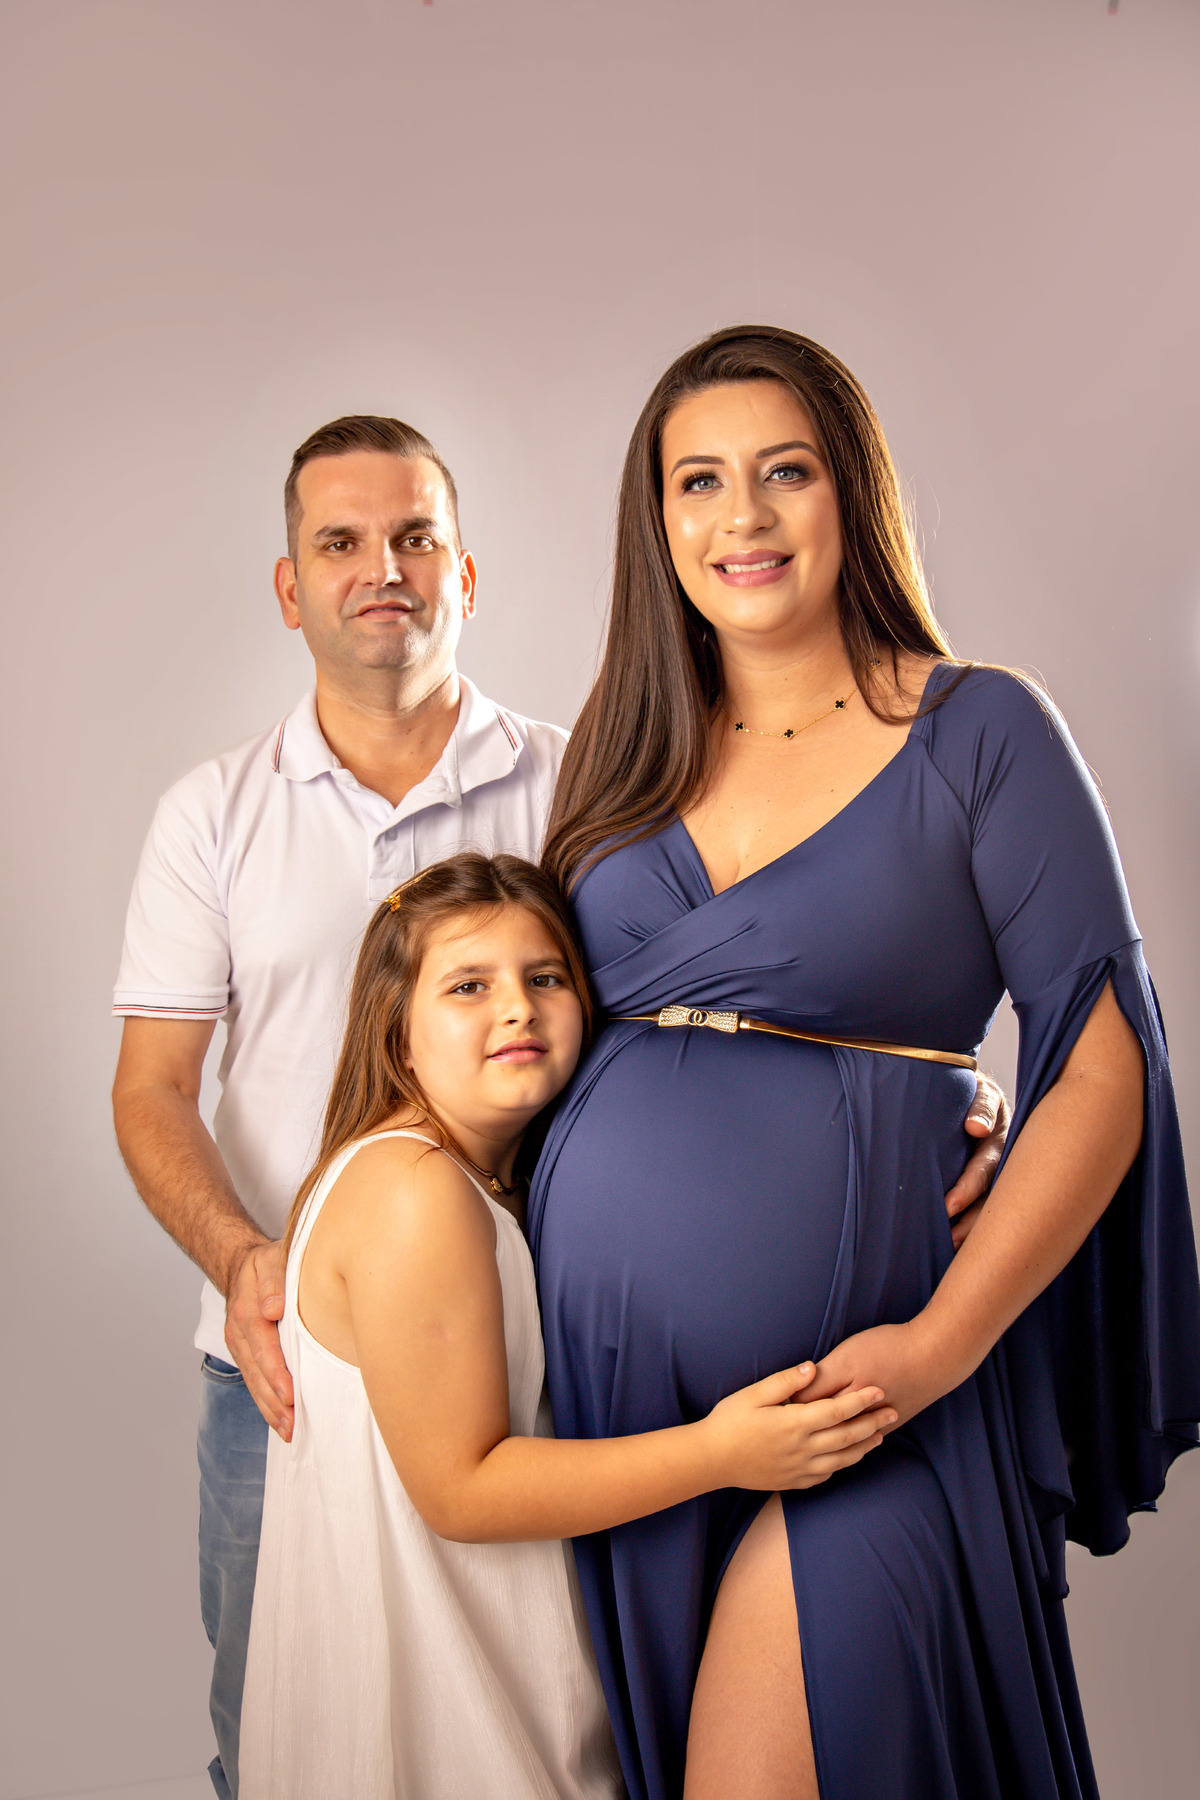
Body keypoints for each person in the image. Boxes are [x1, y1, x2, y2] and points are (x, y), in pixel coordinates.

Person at [111, 407, 1005, 1797]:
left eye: (416, 537)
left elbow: (739, 979)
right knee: (299, 1710)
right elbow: (154, 1089)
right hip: (288, 1353)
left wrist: (918, 1089)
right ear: (290, 587)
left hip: (554, 1325)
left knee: (533, 1696)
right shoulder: (213, 815)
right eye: (340, 543)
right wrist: (244, 1263)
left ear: (466, 574)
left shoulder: (589, 779)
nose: (382, 569)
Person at [530, 325, 1200, 1800]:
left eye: (786, 472)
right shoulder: (619, 757)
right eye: (699, 481)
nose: (743, 516)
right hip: (630, 1425)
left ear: (853, 492)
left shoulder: (981, 731)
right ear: (658, 521)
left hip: (870, 1400)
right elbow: (535, 1044)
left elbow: (1103, 1066)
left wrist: (938, 1347)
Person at [238, 852, 899, 1798]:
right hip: (448, 1717)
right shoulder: (413, 1191)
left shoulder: (469, 1179)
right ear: (399, 1032)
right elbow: (461, 1491)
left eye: (545, 978)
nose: (518, 1008)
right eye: (469, 986)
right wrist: (722, 1453)